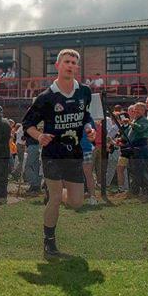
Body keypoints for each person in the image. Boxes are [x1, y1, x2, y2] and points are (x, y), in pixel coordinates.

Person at [22, 49, 95, 256]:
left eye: (74, 62)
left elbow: (87, 116)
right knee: (54, 198)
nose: (70, 65)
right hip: (53, 153)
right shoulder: (46, 97)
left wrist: (90, 129)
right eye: (67, 62)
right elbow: (27, 123)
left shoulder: (85, 92)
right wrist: (39, 136)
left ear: (77, 67)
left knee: (76, 202)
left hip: (74, 154)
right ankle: (49, 242)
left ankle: (57, 192)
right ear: (58, 65)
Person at [127, 102, 148, 195]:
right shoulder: (136, 120)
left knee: (141, 169)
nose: (135, 111)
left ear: (143, 111)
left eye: (138, 109)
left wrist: (131, 124)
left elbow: (141, 129)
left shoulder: (143, 120)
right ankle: (136, 189)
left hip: (140, 147)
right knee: (135, 169)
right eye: (135, 109)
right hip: (134, 147)